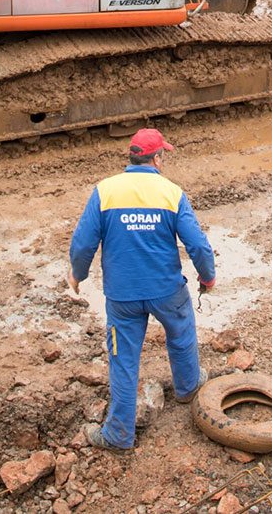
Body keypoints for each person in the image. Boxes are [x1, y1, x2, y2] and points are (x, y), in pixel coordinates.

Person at [68, 128, 215, 451]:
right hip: (167, 290)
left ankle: (118, 436)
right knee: (181, 334)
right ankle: (188, 387)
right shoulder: (171, 193)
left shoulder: (105, 191)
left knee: (123, 359)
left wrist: (77, 275)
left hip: (122, 296)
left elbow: (83, 244)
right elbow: (198, 245)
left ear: (132, 158)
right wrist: (208, 278)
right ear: (157, 159)